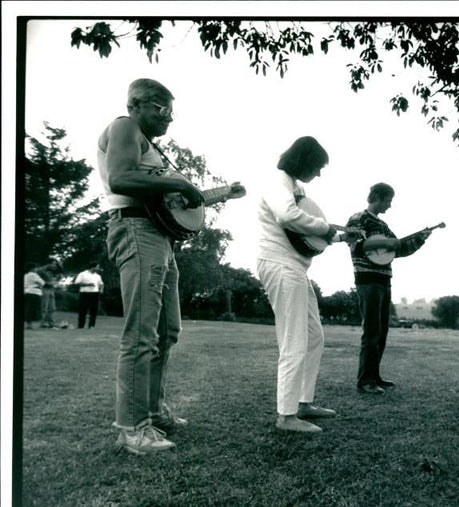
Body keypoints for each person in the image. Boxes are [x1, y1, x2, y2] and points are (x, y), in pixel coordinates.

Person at [99, 78, 246, 454]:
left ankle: (152, 412)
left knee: (167, 331)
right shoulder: (125, 126)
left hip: (158, 237)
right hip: (135, 230)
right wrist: (178, 182)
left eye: (171, 112)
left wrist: (220, 193)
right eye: (162, 109)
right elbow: (119, 177)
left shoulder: (152, 149)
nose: (169, 118)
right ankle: (133, 429)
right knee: (141, 333)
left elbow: (175, 203)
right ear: (135, 105)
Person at [256, 136, 361, 433]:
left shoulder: (295, 187)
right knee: (294, 340)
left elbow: (304, 234)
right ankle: (286, 416)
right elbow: (288, 216)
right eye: (317, 167)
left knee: (314, 336)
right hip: (280, 265)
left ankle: (303, 403)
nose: (318, 173)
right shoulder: (277, 181)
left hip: (295, 268)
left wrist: (340, 237)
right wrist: (328, 227)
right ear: (303, 161)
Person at [346, 183, 432, 395]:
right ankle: (365, 381)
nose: (390, 205)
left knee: (382, 331)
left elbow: (399, 249)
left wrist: (419, 239)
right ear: (376, 197)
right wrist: (387, 243)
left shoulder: (383, 225)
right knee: (372, 331)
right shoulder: (358, 219)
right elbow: (356, 245)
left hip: (384, 280)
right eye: (388, 200)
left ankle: (374, 376)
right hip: (367, 280)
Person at [74, 262, 104, 329]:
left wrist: (101, 290)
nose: (98, 268)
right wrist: (87, 284)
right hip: (84, 293)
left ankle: (91, 325)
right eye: (97, 267)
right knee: (83, 310)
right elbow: (76, 283)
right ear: (93, 267)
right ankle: (81, 325)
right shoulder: (82, 274)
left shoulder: (97, 276)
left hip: (94, 294)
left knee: (94, 310)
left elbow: (101, 284)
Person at [37, 262, 61, 329]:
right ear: (49, 264)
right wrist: (48, 283)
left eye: (56, 265)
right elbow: (38, 273)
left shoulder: (53, 272)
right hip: (44, 289)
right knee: (44, 307)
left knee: (52, 307)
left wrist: (58, 280)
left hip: (52, 290)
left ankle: (51, 323)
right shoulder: (42, 271)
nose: (55, 266)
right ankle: (43, 323)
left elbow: (55, 281)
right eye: (53, 264)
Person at [23, 263, 45, 329]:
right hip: (35, 292)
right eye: (35, 268)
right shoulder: (34, 275)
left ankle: (28, 324)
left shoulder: (25, 275)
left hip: (27, 292)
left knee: (28, 308)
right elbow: (42, 282)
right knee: (36, 309)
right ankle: (37, 324)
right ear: (32, 269)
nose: (36, 269)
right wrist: (39, 284)